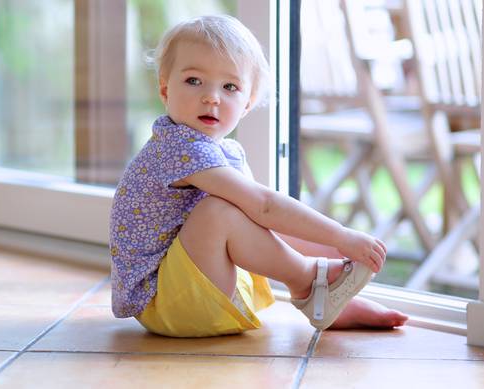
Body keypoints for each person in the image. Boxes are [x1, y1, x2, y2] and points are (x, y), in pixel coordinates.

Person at [109, 15, 408, 337]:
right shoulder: (178, 146)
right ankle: (309, 281)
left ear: (247, 103)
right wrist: (339, 237)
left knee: (234, 208)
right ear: (165, 90)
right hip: (165, 302)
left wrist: (325, 245)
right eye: (194, 81)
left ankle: (324, 297)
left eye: (230, 87)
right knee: (219, 211)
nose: (212, 97)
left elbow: (261, 218)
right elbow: (264, 205)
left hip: (191, 288)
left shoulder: (225, 152)